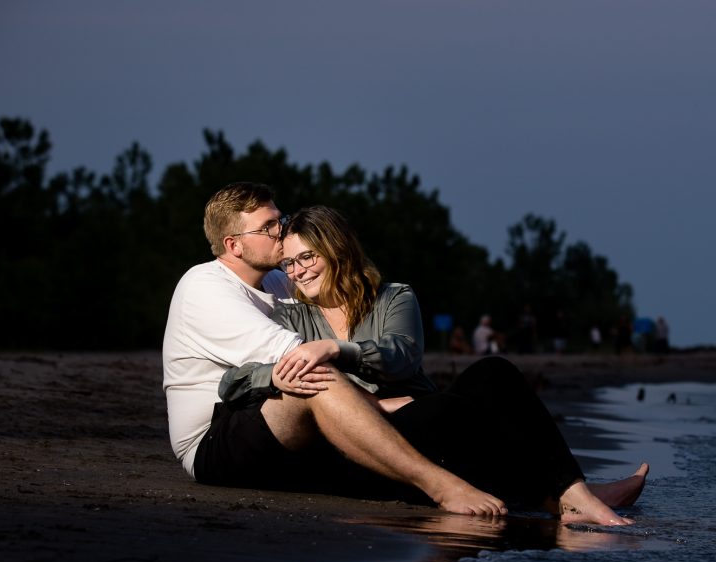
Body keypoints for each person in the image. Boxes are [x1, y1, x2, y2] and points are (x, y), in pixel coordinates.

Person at [221, 206, 648, 525]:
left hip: (426, 421)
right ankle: (566, 498)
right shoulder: (289, 317)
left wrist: (336, 349)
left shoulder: (393, 297)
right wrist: (275, 376)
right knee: (457, 413)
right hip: (367, 446)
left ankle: (575, 494)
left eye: (308, 257)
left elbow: (401, 357)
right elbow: (232, 381)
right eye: (290, 263)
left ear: (338, 249)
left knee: (493, 373)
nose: (297, 271)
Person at [162, 182, 506, 517]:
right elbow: (298, 355)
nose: (280, 232)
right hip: (214, 440)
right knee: (311, 374)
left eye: (278, 220)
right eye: (267, 227)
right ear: (234, 245)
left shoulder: (281, 280)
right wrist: (376, 405)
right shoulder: (205, 286)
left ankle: (539, 487)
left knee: (484, 385)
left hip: (276, 419)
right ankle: (440, 486)